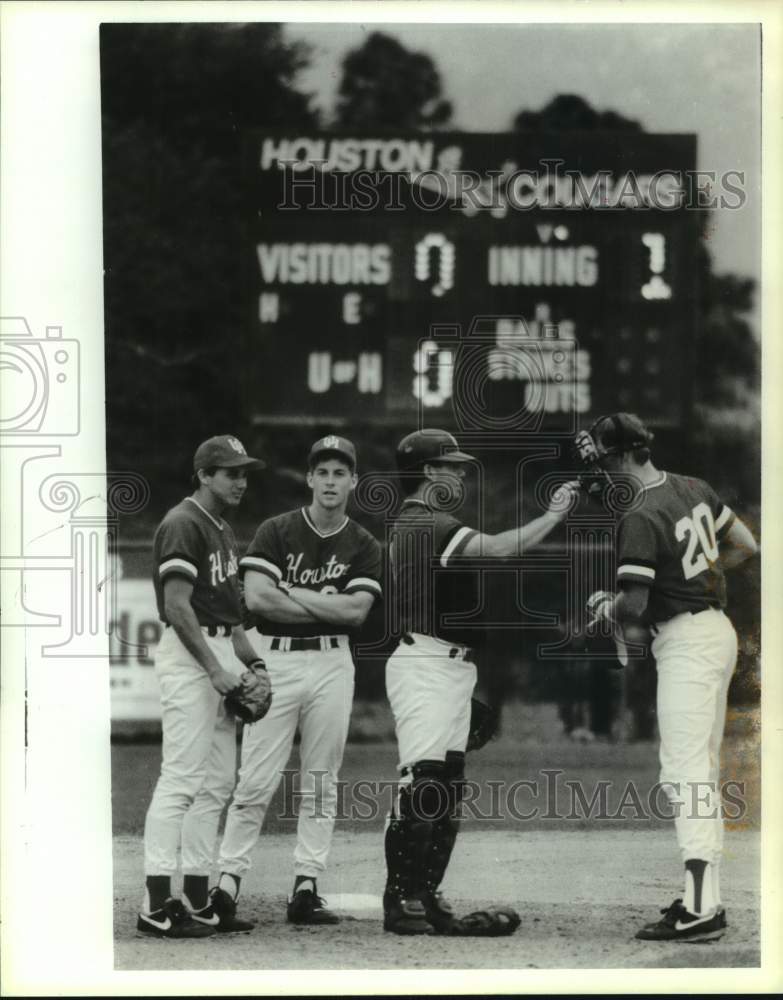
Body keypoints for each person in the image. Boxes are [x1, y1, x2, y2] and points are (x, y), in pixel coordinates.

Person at [383, 428, 578, 935]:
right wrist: (555, 514)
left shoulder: (426, 522)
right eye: (450, 466)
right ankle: (400, 899)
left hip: (446, 665)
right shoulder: (423, 522)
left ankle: (424, 894)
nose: (459, 473)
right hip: (424, 663)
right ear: (427, 473)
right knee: (422, 784)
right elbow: (496, 550)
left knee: (445, 788)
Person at [581, 413, 758, 942]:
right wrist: (695, 579)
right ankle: (706, 899)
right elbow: (745, 545)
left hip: (686, 640)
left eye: (604, 458)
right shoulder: (692, 487)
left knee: (685, 773)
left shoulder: (639, 511)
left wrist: (604, 609)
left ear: (619, 456)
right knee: (696, 767)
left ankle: (703, 910)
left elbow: (633, 604)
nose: (601, 469)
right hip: (715, 631)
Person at [208, 435, 382, 925]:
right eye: (322, 471)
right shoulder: (277, 530)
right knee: (256, 778)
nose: (330, 480)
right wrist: (320, 602)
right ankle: (227, 883)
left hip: (332, 663)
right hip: (276, 661)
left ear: (353, 481)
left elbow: (355, 613)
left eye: (340, 472)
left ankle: (306, 886)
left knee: (322, 778)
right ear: (309, 478)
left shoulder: (363, 543)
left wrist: (294, 592)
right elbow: (259, 601)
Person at [138, 434, 271, 938]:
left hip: (219, 652)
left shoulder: (222, 529)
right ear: (204, 475)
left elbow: (231, 619)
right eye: (230, 472)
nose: (240, 480)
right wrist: (214, 670)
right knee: (180, 779)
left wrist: (252, 664)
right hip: (190, 655)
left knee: (216, 784)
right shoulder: (183, 522)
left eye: (243, 472)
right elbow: (177, 606)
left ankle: (196, 901)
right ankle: (154, 906)